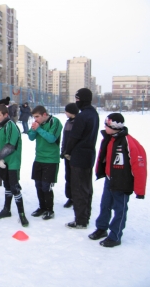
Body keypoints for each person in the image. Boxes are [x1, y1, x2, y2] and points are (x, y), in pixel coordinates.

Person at [89, 113, 147, 247]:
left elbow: (139, 167)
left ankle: (115, 236)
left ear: (114, 127)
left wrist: (140, 190)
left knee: (119, 210)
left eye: (106, 125)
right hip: (110, 179)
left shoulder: (129, 142)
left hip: (123, 182)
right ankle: (102, 228)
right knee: (105, 205)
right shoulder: (108, 139)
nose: (104, 127)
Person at [63, 88, 99, 229]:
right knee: (86, 188)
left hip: (79, 156)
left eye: (77, 99)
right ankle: (85, 216)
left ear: (82, 99)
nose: (76, 102)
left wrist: (67, 151)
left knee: (78, 189)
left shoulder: (82, 116)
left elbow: (74, 137)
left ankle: (81, 220)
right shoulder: (93, 114)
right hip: (89, 155)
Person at [0, 104, 29, 227]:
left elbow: (10, 146)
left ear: (6, 115)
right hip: (4, 162)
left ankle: (22, 215)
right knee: (7, 185)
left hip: (13, 162)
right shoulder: (0, 126)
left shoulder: (11, 126)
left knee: (14, 187)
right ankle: (6, 210)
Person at [28, 105, 63, 220]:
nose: (35, 119)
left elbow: (52, 138)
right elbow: (31, 137)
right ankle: (42, 207)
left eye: (37, 116)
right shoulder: (38, 124)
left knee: (46, 186)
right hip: (39, 158)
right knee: (38, 185)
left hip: (51, 159)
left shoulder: (55, 122)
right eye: (34, 117)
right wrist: (33, 129)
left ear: (44, 114)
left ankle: (49, 209)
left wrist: (39, 129)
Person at [60, 103, 79, 208]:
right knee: (68, 176)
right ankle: (70, 197)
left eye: (66, 111)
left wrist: (72, 152)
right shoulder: (67, 123)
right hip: (67, 155)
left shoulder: (78, 123)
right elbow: (65, 139)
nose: (65, 113)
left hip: (75, 156)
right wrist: (63, 151)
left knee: (76, 178)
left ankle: (77, 198)